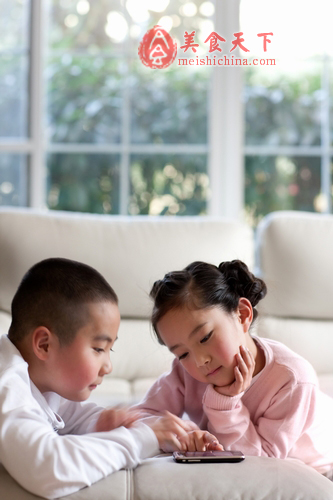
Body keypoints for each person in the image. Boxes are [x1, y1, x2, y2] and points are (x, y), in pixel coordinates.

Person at [0, 257, 213, 500]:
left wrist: (115, 424)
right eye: (99, 349)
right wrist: (144, 437)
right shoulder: (6, 383)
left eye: (110, 350)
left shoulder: (42, 382)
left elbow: (77, 418)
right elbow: (49, 468)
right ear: (44, 345)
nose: (108, 366)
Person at [132, 259, 333, 479]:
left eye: (205, 337)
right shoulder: (185, 371)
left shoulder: (293, 380)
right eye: (182, 353)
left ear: (242, 315)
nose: (199, 361)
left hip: (317, 471)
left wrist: (225, 404)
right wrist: (185, 435)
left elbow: (260, 463)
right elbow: (140, 417)